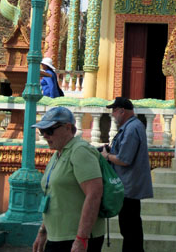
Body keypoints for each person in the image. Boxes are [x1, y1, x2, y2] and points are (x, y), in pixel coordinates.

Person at [32, 106, 105, 252]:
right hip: (57, 236)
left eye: (49, 131)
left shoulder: (80, 151)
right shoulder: (58, 153)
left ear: (67, 127)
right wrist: (43, 231)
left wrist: (81, 239)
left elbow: (94, 194)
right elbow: (53, 196)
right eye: (42, 131)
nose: (45, 135)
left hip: (75, 238)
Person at [100, 97, 151, 252]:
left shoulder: (131, 128)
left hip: (128, 187)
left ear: (122, 111)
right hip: (129, 185)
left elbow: (124, 159)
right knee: (130, 228)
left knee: (130, 229)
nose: (113, 115)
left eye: (114, 111)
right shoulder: (132, 126)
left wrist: (106, 156)